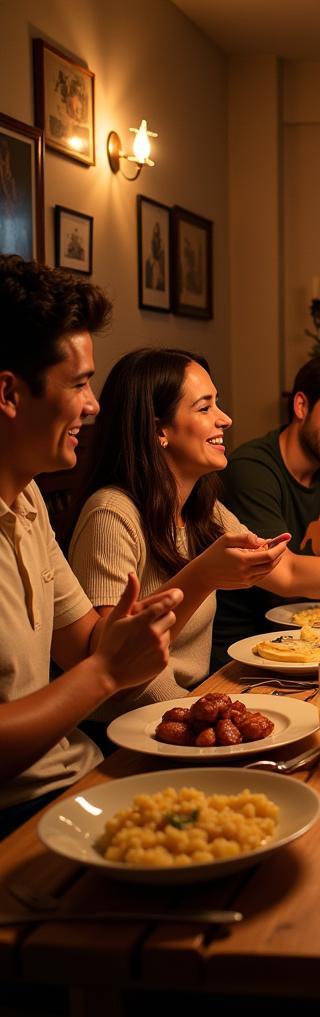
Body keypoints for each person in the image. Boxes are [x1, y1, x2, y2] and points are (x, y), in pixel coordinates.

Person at [71, 349, 320, 703]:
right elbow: (112, 666)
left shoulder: (204, 508)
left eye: (218, 402)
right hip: (140, 726)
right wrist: (202, 577)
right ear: (158, 430)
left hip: (198, 699)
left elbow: (287, 571)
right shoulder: (112, 514)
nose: (225, 418)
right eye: (205, 407)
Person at [0, 257, 181, 835]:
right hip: (22, 815)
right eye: (78, 383)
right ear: (8, 392)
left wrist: (129, 636)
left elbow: (84, 645)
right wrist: (106, 670)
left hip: (84, 777)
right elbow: (96, 666)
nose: (94, 403)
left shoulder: (26, 499)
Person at [213, 355, 320, 661]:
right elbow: (285, 575)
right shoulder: (251, 469)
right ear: (302, 406)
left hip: (313, 638)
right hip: (247, 652)